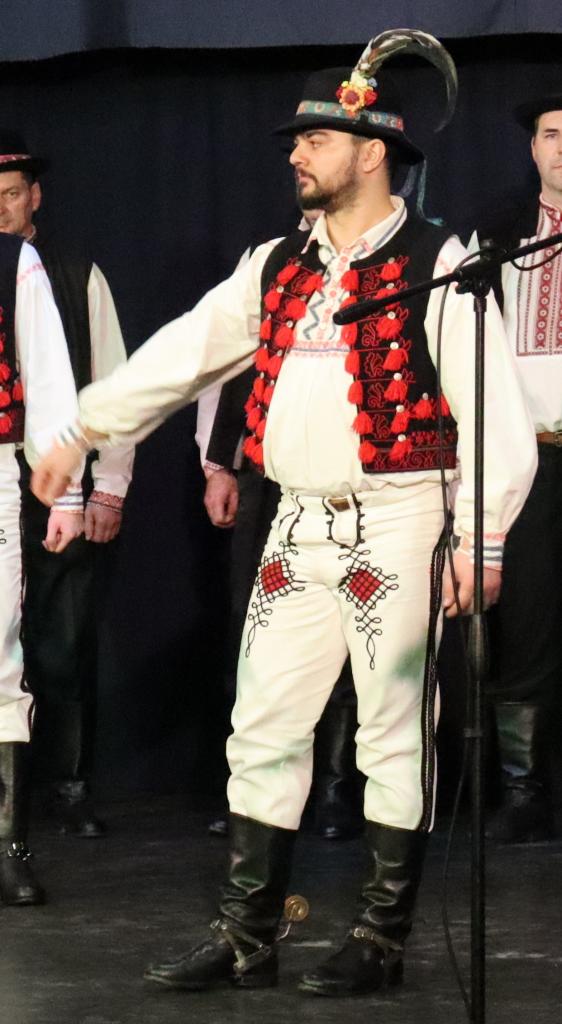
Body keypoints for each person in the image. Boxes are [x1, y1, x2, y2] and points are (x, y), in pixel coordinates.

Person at [32, 32, 537, 997]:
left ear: (372, 150)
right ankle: (248, 935)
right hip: (296, 523)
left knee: (393, 729)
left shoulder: (438, 262)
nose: (296, 154)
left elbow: (493, 412)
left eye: (315, 139)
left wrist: (481, 535)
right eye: (295, 141)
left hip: (400, 519)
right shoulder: (274, 265)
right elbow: (185, 352)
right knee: (262, 725)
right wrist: (82, 427)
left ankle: (381, 938)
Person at [0, 132, 134, 837]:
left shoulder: (74, 273)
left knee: (62, 638)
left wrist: (106, 484)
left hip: (59, 477)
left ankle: (68, 784)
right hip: (8, 470)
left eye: (10, 195)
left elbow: (110, 380)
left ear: (35, 197)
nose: (1, 209)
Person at [198, 365, 364, 841]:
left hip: (347, 475)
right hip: (266, 471)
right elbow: (242, 365)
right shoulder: (269, 307)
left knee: (342, 627)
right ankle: (254, 794)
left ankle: (334, 788)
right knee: (253, 631)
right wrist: (221, 466)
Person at [471, 94, 562, 843]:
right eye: (553, 134)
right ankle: (525, 793)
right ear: (533, 148)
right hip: (532, 457)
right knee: (528, 619)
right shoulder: (499, 235)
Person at [0, 231, 82, 905]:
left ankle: (10, 850)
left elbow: (49, 375)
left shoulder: (11, 260)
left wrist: (69, 491)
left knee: (1, 665)